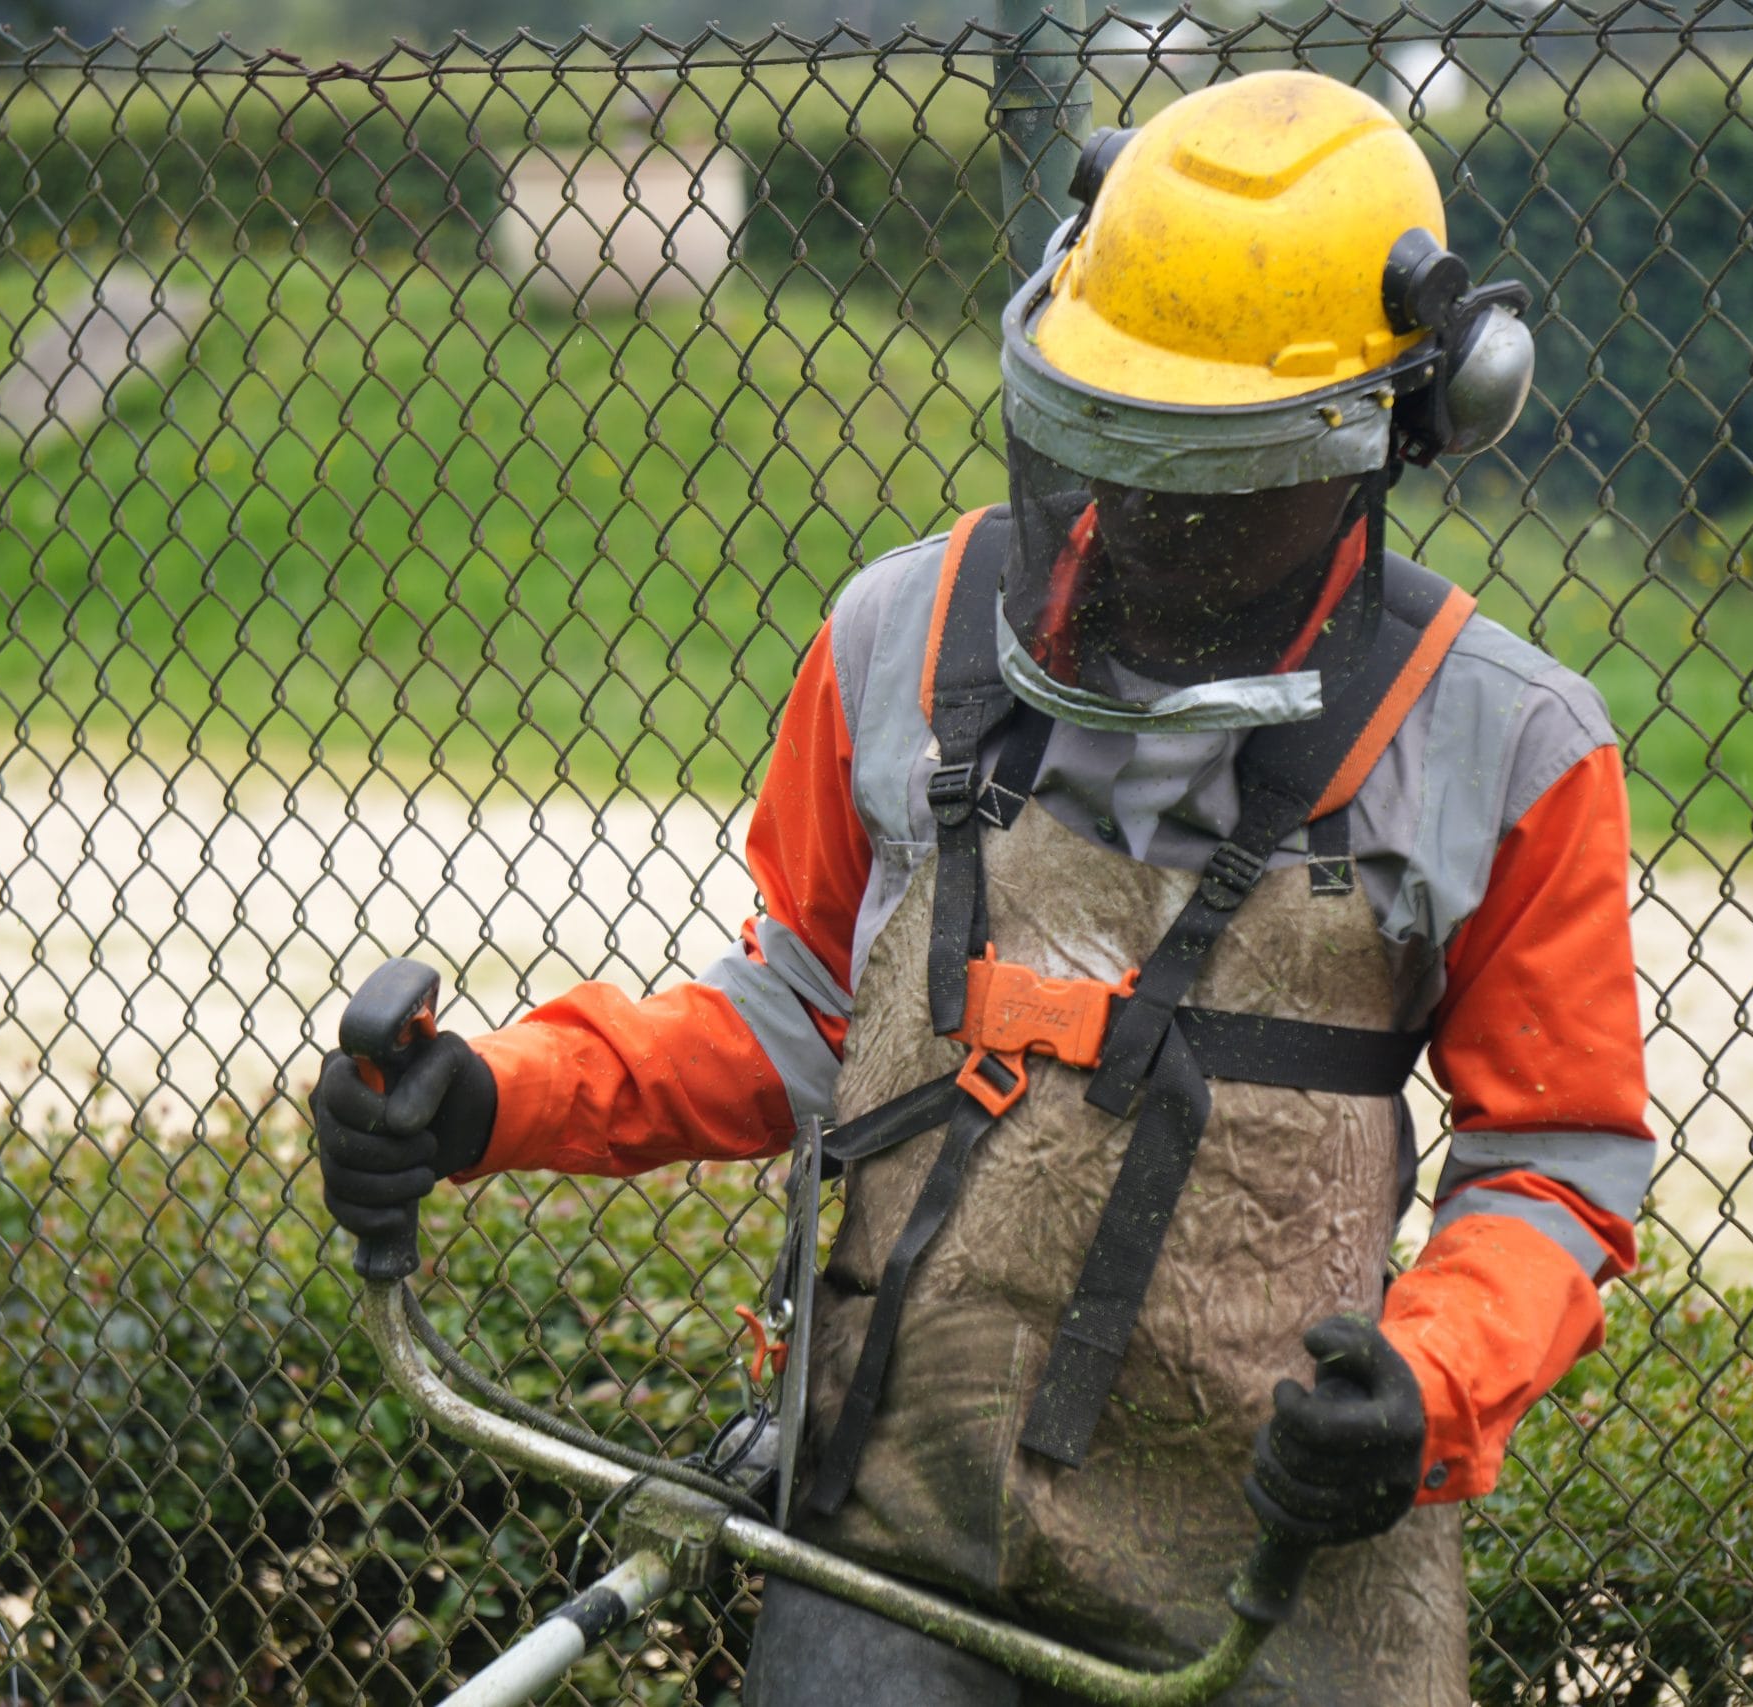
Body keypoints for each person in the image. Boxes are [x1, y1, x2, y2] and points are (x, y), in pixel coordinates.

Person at [314, 69, 1650, 1706]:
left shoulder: (1507, 748)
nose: (1150, 516)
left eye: (1212, 470)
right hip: (897, 1549)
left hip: (1274, 1585)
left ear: (1383, 439)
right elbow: (801, 1008)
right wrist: (488, 1100)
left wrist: (1426, 1387)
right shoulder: (905, 638)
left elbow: (1558, 1167)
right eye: (1110, 439)